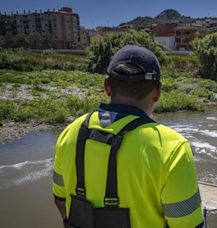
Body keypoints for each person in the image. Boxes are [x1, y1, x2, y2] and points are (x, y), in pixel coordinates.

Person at [52, 45, 204, 228]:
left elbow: (60, 201)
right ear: (157, 92)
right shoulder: (173, 148)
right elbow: (189, 225)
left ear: (107, 86)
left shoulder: (70, 132)